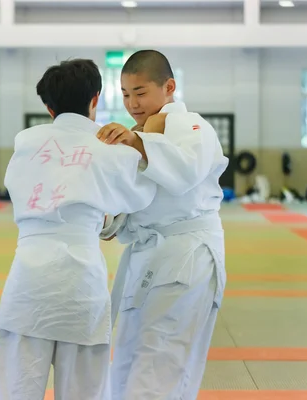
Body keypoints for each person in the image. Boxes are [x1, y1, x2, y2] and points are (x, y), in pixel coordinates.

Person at [0, 59, 157, 400]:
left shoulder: (25, 143)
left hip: (27, 283)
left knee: (15, 390)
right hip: (81, 285)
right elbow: (145, 193)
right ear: (95, 99)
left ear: (49, 107)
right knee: (86, 393)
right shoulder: (112, 149)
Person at [96, 50, 228, 400]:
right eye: (125, 94)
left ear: (169, 86)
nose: (132, 103)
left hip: (186, 254)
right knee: (126, 359)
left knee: (162, 360)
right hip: (147, 257)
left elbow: (185, 171)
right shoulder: (135, 134)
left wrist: (138, 142)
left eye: (140, 92)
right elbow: (125, 202)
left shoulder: (191, 125)